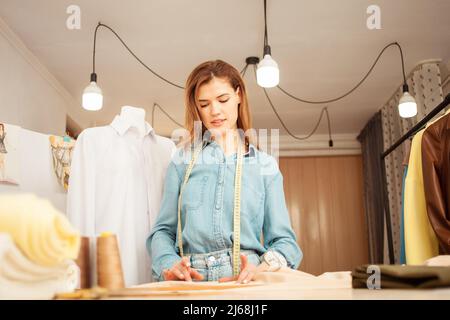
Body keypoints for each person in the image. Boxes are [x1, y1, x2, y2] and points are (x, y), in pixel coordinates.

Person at [147, 60, 302, 283]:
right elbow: (162, 232)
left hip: (247, 282)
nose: (215, 111)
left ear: (238, 95)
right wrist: (169, 265)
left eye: (223, 99)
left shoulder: (265, 166)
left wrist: (262, 268)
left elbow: (285, 242)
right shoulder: (180, 163)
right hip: (191, 282)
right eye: (204, 104)